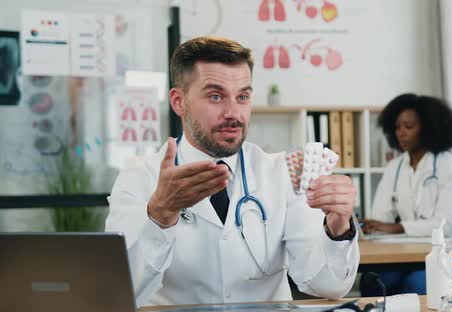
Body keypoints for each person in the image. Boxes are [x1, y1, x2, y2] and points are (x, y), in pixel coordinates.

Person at [106, 36, 360, 307]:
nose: (233, 113)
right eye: (215, 96)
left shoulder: (281, 173)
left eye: (242, 97)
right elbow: (121, 295)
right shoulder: (138, 179)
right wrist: (160, 215)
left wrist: (337, 229)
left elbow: (328, 285)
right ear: (179, 101)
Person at [360, 93, 452, 296]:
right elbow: (381, 217)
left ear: (428, 127)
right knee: (373, 281)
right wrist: (371, 226)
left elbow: (445, 223)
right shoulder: (395, 168)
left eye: (408, 126)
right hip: (407, 252)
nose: (401, 133)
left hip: (449, 250)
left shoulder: (450, 166)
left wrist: (396, 227)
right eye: (397, 127)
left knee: (417, 284)